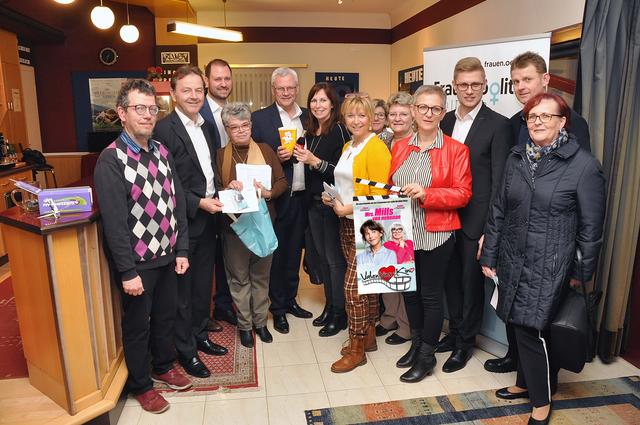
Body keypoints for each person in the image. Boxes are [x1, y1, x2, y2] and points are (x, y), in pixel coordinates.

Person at [480, 92, 605, 425]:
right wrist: (489, 252)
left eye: (545, 116)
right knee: (519, 323)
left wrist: (581, 273)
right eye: (531, 116)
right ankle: (525, 383)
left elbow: (592, 229)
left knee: (531, 330)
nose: (537, 122)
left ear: (563, 122)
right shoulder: (516, 157)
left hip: (553, 265)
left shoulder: (583, 166)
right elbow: (498, 210)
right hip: (512, 259)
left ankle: (541, 401)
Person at [485, 51, 592, 375]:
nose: (520, 86)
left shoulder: (573, 123)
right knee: (514, 303)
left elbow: (580, 191)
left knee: (542, 317)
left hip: (551, 243)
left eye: (527, 79)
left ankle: (543, 381)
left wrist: (577, 260)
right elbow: (504, 187)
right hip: (516, 238)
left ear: (545, 80)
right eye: (515, 81)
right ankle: (516, 361)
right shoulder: (513, 124)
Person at [94, 79, 192, 413]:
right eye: (140, 109)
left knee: (166, 317)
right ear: (122, 113)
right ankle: (141, 384)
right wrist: (127, 271)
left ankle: (163, 365)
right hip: (138, 263)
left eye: (152, 109)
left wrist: (182, 250)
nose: (148, 115)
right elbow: (115, 224)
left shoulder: (162, 151)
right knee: (139, 326)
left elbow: (177, 202)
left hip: (168, 256)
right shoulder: (111, 160)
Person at [389, 85, 472, 383]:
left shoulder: (455, 150)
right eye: (422, 107)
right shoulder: (399, 147)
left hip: (436, 233)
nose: (428, 113)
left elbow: (463, 194)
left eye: (435, 108)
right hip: (403, 232)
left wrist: (428, 193)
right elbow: (391, 184)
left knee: (430, 296)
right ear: (413, 110)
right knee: (409, 292)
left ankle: (426, 357)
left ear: (442, 113)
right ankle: (415, 345)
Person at [437, 57, 512, 373]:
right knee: (449, 283)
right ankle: (453, 332)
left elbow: (499, 183)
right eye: (463, 85)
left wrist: (488, 232)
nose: (469, 90)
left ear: (485, 86)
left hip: (475, 224)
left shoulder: (499, 125)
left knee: (470, 287)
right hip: (443, 219)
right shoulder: (443, 123)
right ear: (454, 86)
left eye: (475, 84)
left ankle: (464, 345)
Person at [153, 66, 228, 380]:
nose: (194, 95)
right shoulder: (163, 130)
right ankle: (185, 352)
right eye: (187, 90)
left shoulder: (207, 126)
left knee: (201, 287)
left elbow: (208, 170)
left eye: (199, 89)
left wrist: (224, 190)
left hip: (209, 220)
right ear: (173, 94)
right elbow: (167, 183)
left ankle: (199, 336)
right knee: (182, 292)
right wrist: (199, 202)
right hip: (183, 223)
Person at [322, 93, 391, 373]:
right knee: (367, 284)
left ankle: (357, 347)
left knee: (353, 288)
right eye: (351, 115)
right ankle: (370, 334)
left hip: (367, 226)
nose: (356, 120)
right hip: (347, 222)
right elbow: (348, 184)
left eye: (362, 115)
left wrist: (347, 206)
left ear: (371, 118)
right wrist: (334, 198)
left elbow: (381, 194)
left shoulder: (375, 148)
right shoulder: (349, 146)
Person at [217, 102, 288, 348]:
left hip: (263, 223)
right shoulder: (221, 155)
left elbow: (282, 181)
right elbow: (214, 189)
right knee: (238, 279)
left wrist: (267, 193)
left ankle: (261, 323)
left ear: (251, 125)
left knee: (261, 277)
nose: (240, 130)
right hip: (234, 227)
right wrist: (228, 188)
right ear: (227, 129)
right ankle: (245, 325)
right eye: (234, 127)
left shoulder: (266, 150)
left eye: (244, 125)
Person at [251, 67, 313, 334]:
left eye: (290, 88)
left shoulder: (309, 117)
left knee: (294, 253)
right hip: (277, 199)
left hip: (304, 196)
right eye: (280, 89)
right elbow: (252, 158)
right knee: (275, 254)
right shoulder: (260, 118)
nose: (286, 93)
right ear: (273, 90)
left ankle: (290, 299)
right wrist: (275, 157)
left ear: (297, 89)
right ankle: (277, 308)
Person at [293, 82, 350, 337]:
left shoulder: (339, 131)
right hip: (313, 204)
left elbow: (341, 171)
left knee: (335, 262)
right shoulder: (311, 132)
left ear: (333, 104)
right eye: (314, 101)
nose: (318, 105)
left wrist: (314, 161)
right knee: (323, 260)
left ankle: (340, 313)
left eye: (323, 101)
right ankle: (330, 305)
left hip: (330, 203)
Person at [200, 58, 238, 329]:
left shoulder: (236, 111)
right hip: (206, 195)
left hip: (234, 193)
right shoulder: (198, 112)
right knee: (206, 256)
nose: (223, 83)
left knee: (228, 250)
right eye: (217, 79)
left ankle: (224, 304)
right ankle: (205, 312)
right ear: (206, 81)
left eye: (227, 78)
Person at [375, 92, 415, 346]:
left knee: (403, 273)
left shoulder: (418, 141)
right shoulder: (382, 139)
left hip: (410, 215)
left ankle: (406, 325)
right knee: (383, 268)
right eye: (393, 114)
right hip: (380, 211)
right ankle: (389, 316)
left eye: (403, 113)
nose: (397, 118)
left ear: (413, 115)